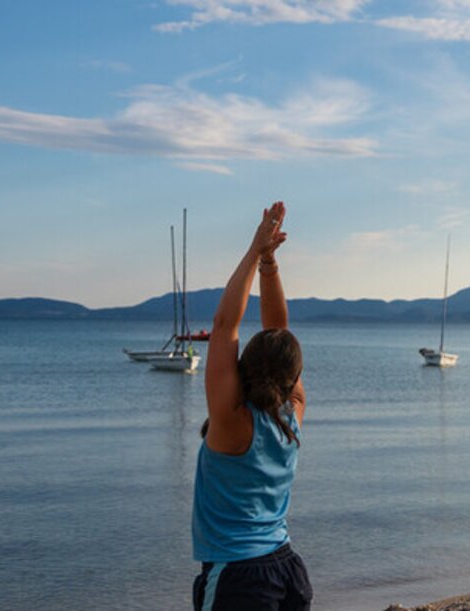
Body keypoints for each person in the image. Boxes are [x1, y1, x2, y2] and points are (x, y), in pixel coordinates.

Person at [192, 202, 314, 610]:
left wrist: (253, 251)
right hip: (287, 568)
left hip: (239, 577)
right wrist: (268, 263)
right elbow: (278, 331)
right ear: (292, 376)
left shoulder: (232, 424)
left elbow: (225, 327)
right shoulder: (291, 416)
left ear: (244, 367)